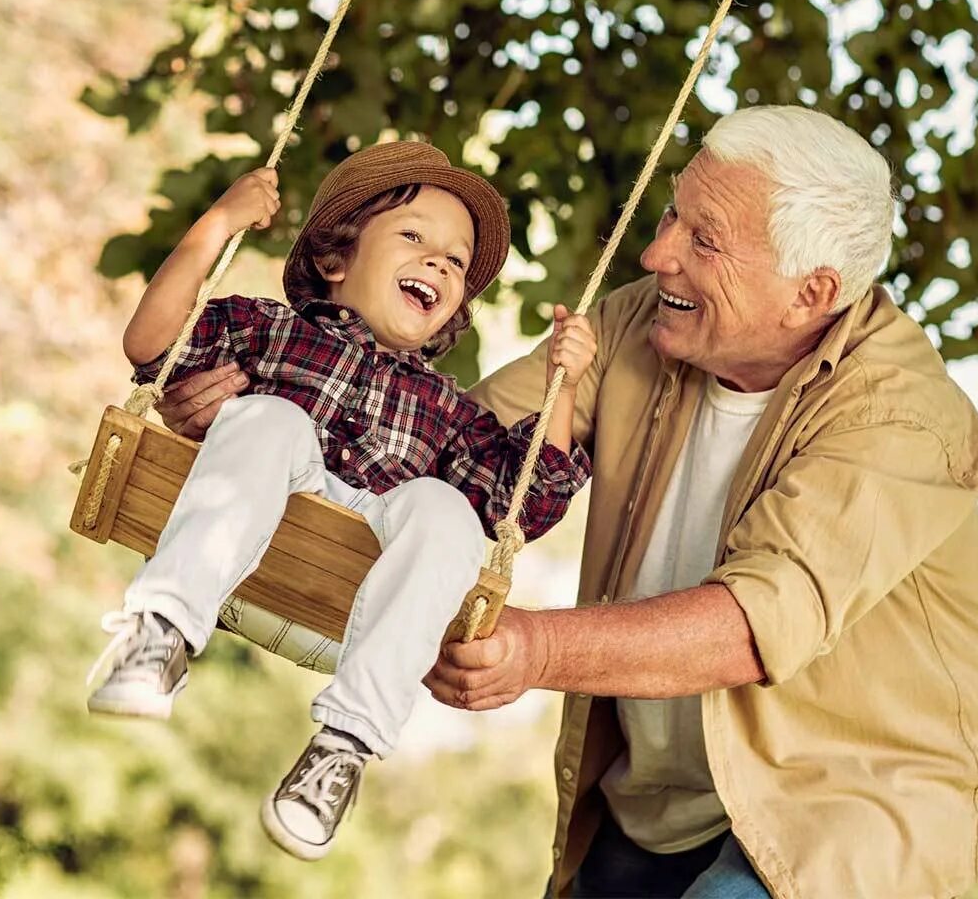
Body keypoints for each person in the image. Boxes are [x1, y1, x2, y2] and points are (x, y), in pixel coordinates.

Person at [151, 107, 978, 898]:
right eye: (672, 213)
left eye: (702, 238)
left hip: (841, 807)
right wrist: (262, 423)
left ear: (812, 292)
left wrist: (531, 647)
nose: (657, 253)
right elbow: (444, 453)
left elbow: (753, 623)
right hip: (650, 796)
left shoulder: (903, 419)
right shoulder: (648, 320)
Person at [86, 140, 597, 861]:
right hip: (248, 535)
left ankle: (342, 748)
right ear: (335, 261)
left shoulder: (447, 410)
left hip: (358, 590)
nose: (440, 264)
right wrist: (217, 225)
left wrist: (564, 387)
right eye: (415, 238)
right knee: (271, 419)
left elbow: (525, 506)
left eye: (455, 261)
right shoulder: (266, 329)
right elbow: (152, 345)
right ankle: (159, 636)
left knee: (448, 511)